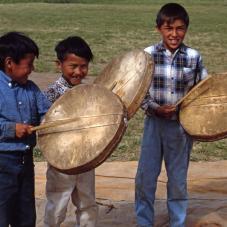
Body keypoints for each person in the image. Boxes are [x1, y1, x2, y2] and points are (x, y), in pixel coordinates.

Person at [135, 3, 208, 227]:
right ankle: (144, 222)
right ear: (159, 29)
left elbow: (202, 92)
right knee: (145, 178)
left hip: (180, 128)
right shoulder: (147, 56)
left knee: (177, 180)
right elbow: (138, 93)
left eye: (180, 28)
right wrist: (155, 108)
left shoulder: (194, 57)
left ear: (186, 29)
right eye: (169, 28)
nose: (174, 34)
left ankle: (178, 222)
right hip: (154, 125)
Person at [44, 36, 98, 227]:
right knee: (58, 202)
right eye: (73, 66)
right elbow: (45, 128)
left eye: (83, 66)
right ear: (59, 64)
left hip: (85, 158)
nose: (78, 71)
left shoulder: (87, 92)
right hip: (61, 160)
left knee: (87, 202)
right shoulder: (51, 94)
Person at [0, 31, 50, 227]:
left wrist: (47, 121)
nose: (32, 69)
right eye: (28, 64)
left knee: (26, 215)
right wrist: (12, 129)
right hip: (2, 164)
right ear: (9, 63)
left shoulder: (31, 89)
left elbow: (46, 112)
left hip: (25, 162)